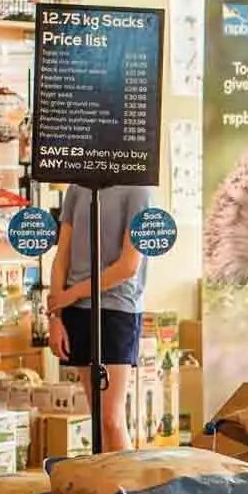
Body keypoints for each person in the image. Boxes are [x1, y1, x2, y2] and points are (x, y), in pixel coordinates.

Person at [49, 182, 160, 452]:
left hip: (117, 309)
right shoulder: (78, 188)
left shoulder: (139, 190)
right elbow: (61, 257)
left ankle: (128, 491)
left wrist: (71, 294)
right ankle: (104, 488)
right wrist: (55, 316)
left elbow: (128, 267)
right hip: (77, 311)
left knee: (111, 418)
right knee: (98, 418)